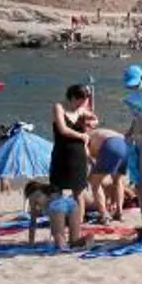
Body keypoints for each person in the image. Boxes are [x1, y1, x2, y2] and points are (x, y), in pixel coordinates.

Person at [48, 83, 95, 242]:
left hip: (78, 156)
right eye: (80, 100)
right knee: (56, 192)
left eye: (84, 101)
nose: (82, 104)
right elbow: (62, 129)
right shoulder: (59, 107)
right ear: (73, 97)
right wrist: (81, 136)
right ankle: (59, 234)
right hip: (62, 155)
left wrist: (91, 122)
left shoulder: (81, 110)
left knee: (78, 193)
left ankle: (76, 231)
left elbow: (93, 118)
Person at [86, 125, 130, 223]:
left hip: (111, 145)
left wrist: (91, 165)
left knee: (95, 183)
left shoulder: (85, 136)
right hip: (125, 145)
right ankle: (119, 212)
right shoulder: (101, 132)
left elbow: (87, 154)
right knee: (118, 181)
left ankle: (104, 215)